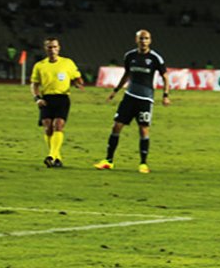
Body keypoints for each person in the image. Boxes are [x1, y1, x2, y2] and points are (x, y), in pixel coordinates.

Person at [94, 30, 170, 173]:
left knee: (143, 129)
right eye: (141, 38)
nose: (144, 41)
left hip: (145, 99)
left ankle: (143, 164)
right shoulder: (130, 56)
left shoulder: (155, 58)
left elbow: (165, 77)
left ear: (150, 40)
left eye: (146, 38)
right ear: (136, 40)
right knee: (116, 126)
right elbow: (126, 74)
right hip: (129, 97)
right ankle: (108, 161)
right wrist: (115, 91)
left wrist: (165, 95)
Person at [30, 37, 84, 168]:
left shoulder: (67, 63)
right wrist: (37, 99)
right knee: (48, 128)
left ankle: (51, 156)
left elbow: (78, 78)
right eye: (50, 47)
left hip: (62, 98)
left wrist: (78, 83)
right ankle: (57, 158)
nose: (52, 50)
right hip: (46, 99)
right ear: (45, 49)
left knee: (58, 125)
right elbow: (34, 84)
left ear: (59, 48)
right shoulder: (40, 66)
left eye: (55, 47)